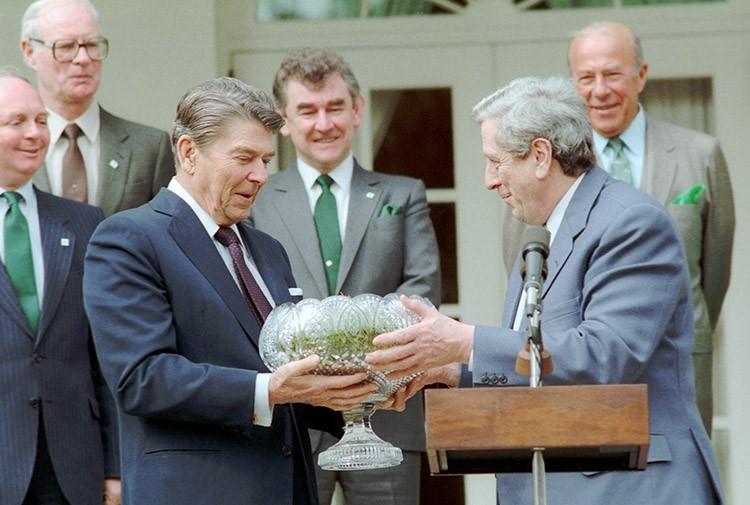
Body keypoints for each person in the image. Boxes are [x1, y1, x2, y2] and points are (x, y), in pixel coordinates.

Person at [366, 76, 724, 504]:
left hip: (629, 484)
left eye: (495, 162)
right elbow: (539, 367)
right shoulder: (539, 236)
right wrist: (454, 373)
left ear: (540, 155)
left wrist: (464, 341)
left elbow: (604, 356)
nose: (488, 180)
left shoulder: (630, 222)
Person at [83, 77, 381, 505]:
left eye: (265, 158)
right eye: (244, 157)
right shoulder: (128, 238)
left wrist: (359, 393)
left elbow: (293, 375)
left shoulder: (266, 248)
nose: (260, 175)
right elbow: (142, 379)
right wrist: (271, 390)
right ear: (188, 153)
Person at [502, 21, 735, 433]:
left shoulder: (700, 154)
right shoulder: (543, 166)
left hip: (678, 367)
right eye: (585, 78)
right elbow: (524, 271)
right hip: (576, 369)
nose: (599, 90)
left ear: (641, 74)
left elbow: (713, 273)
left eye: (613, 74)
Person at [251, 47, 441, 505]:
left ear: (357, 110)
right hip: (295, 415)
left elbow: (423, 290)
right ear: (284, 119)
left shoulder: (402, 193)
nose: (323, 123)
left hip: (389, 410)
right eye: (308, 111)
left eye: (335, 107)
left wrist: (358, 362)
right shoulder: (257, 198)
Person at [0, 67, 118, 505]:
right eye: (17, 122)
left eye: (40, 120)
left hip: (74, 465)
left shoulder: (84, 222)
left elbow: (104, 358)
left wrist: (116, 468)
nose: (35, 134)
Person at [20, 0, 173, 216]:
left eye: (92, 45)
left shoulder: (149, 148)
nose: (83, 59)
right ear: (29, 52)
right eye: (65, 46)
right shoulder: (10, 145)